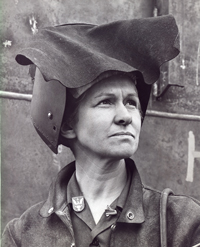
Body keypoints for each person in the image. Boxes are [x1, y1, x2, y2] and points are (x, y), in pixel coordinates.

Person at [2, 15, 200, 247]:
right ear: (67, 125)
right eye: (106, 102)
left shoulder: (181, 223)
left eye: (131, 102)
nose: (126, 116)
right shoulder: (24, 235)